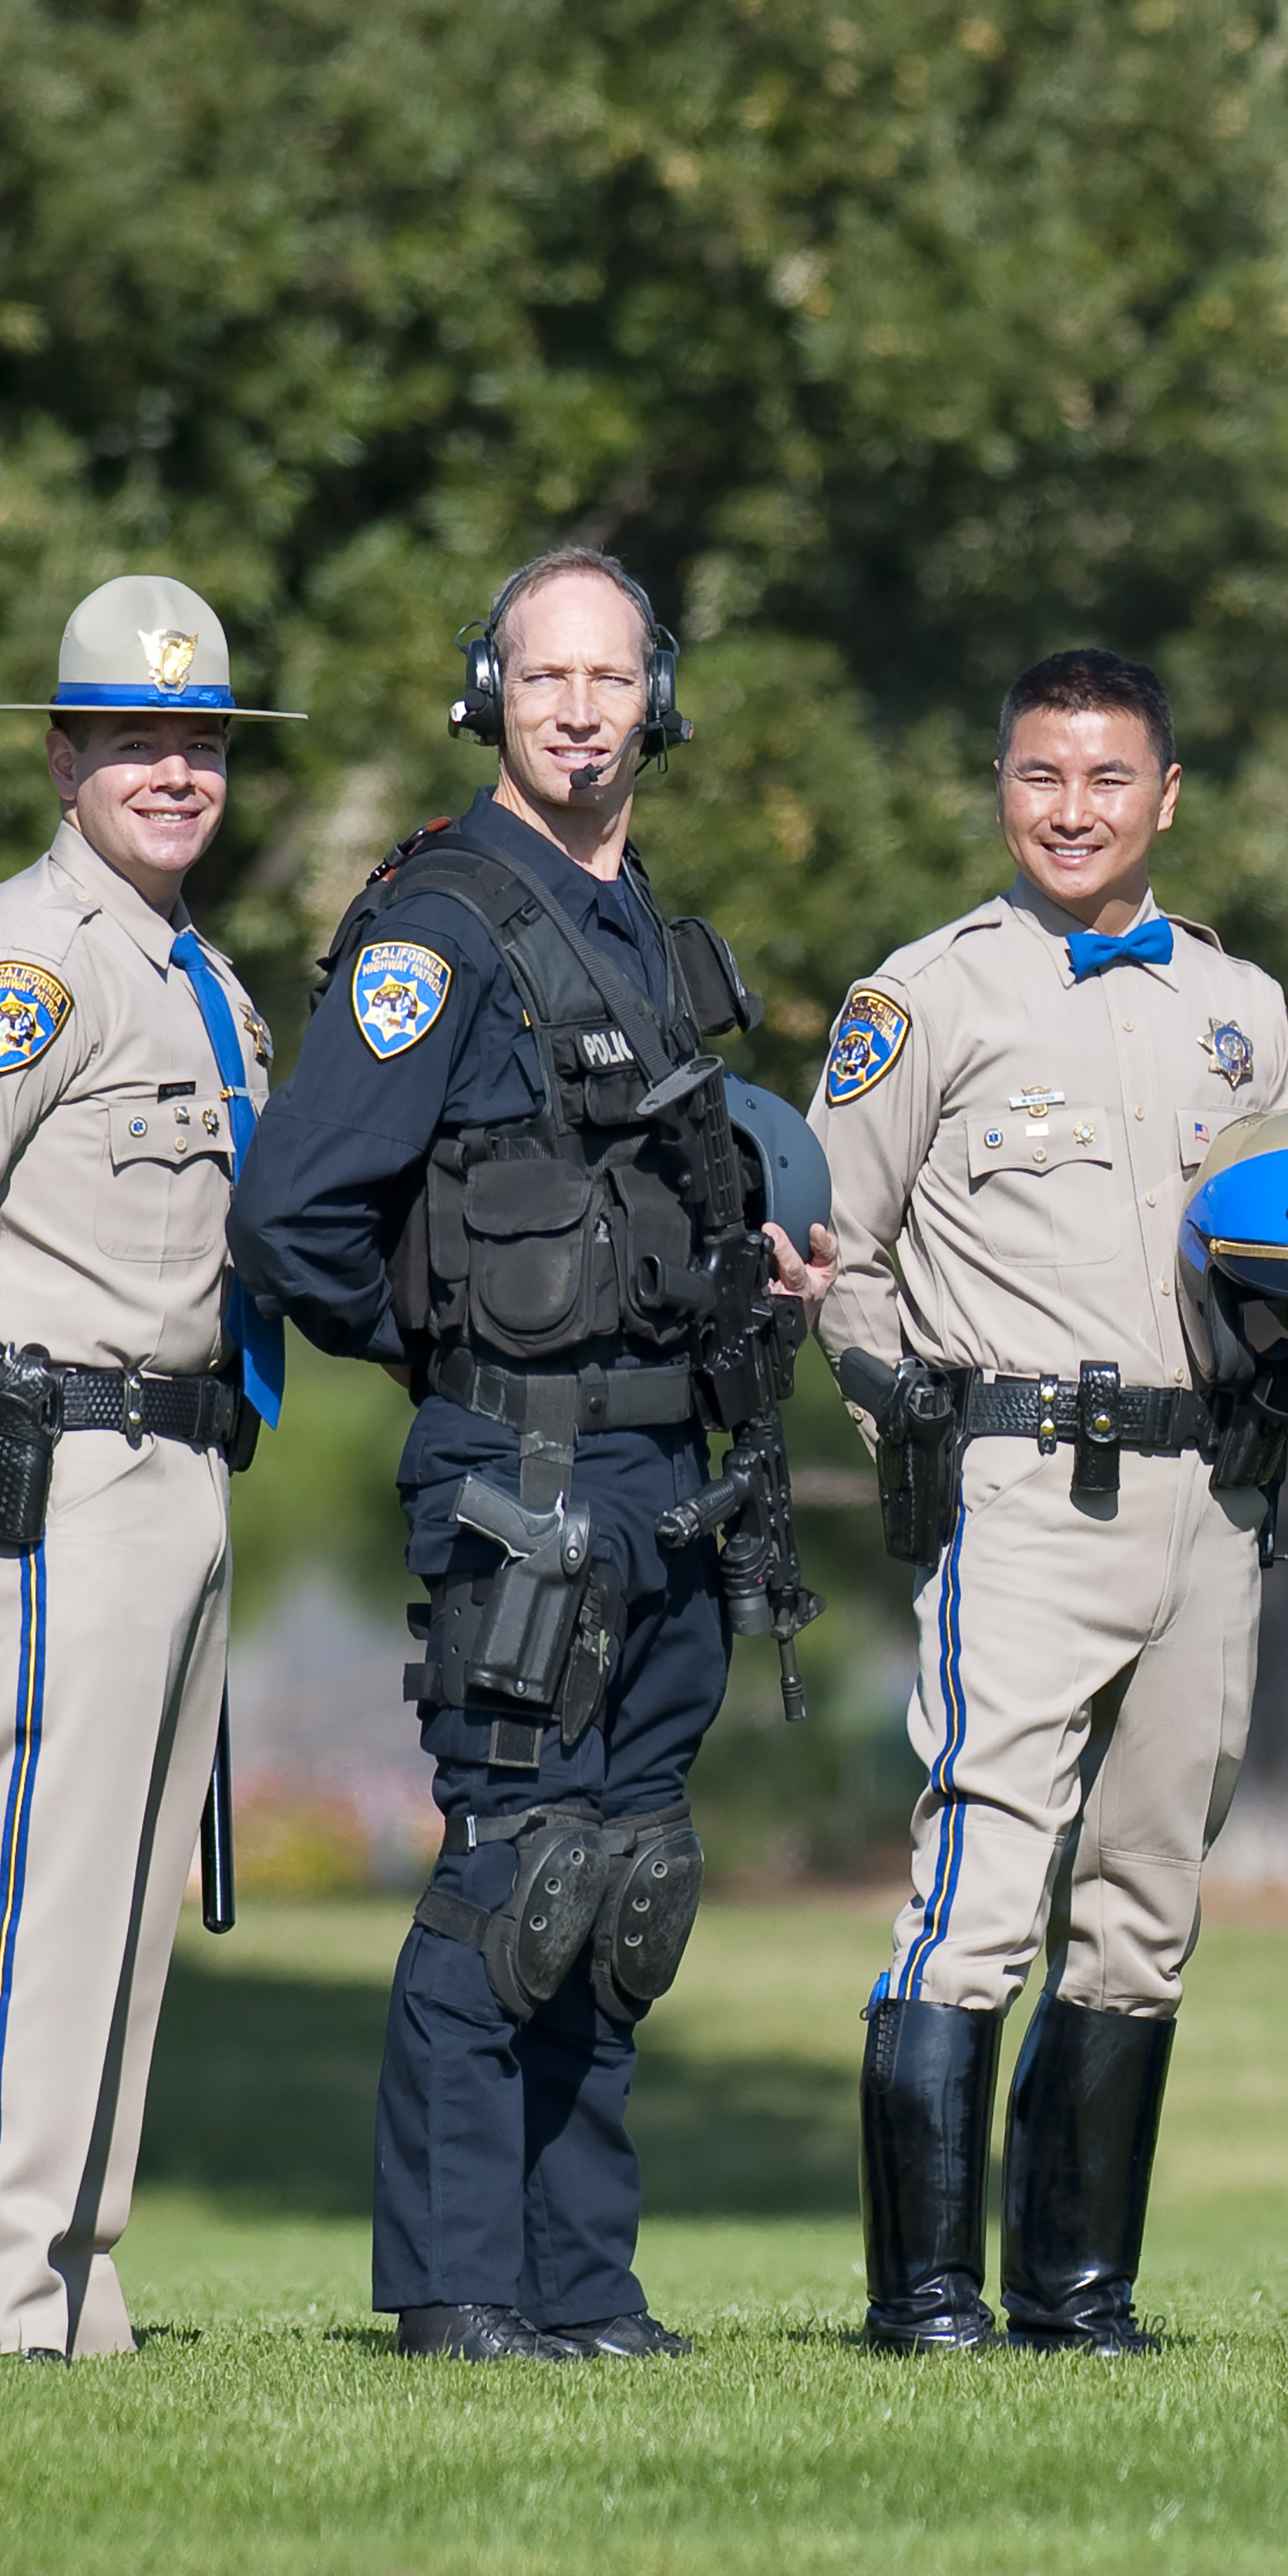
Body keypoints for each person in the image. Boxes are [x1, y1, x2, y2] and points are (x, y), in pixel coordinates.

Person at [809, 649, 1288, 2356]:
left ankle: (1079, 2294)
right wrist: (909, 1408)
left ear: (1167, 795)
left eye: (1108, 779)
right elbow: (832, 1252)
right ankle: (927, 2297)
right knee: (979, 1889)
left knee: (1147, 1901)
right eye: (1042, 775)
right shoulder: (924, 999)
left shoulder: (1243, 1013)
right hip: (1021, 1484)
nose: (1074, 808)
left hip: (1212, 1496)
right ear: (1002, 789)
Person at [230, 547, 830, 2364]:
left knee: (628, 1884)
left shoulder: (642, 915)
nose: (582, 706)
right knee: (516, 1871)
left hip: (669, 1473)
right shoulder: (442, 921)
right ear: (493, 689)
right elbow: (296, 1213)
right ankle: (455, 2287)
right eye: (548, 674)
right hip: (522, 1474)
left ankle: (584, 2286)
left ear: (663, 699)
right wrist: (451, 1352)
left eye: (615, 676)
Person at [0, 575, 295, 2361]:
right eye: (134, 737)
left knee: (125, 1903)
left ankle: (77, 2290)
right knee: (35, 1887)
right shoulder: (24, 960)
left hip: (180, 1464)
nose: (173, 768)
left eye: (202, 742)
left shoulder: (200, 978)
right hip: (53, 1461)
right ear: (64, 750)